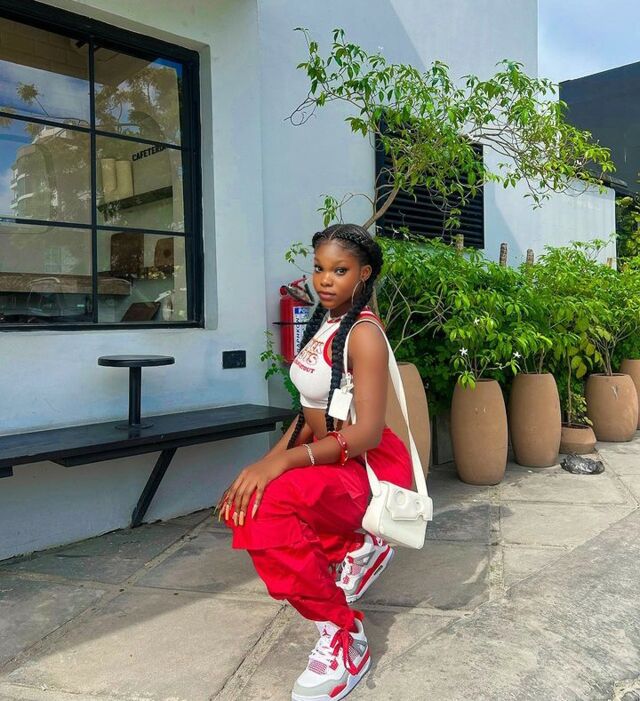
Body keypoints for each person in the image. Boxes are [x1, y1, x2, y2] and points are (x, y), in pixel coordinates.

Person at [217, 223, 413, 701]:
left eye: (339, 270)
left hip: (364, 466)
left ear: (363, 274)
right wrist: (264, 465)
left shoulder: (364, 334)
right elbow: (310, 415)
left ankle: (344, 635)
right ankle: (355, 548)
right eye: (320, 268)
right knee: (249, 501)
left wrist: (283, 465)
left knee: (267, 510)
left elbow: (366, 433)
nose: (325, 279)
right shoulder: (326, 322)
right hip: (330, 458)